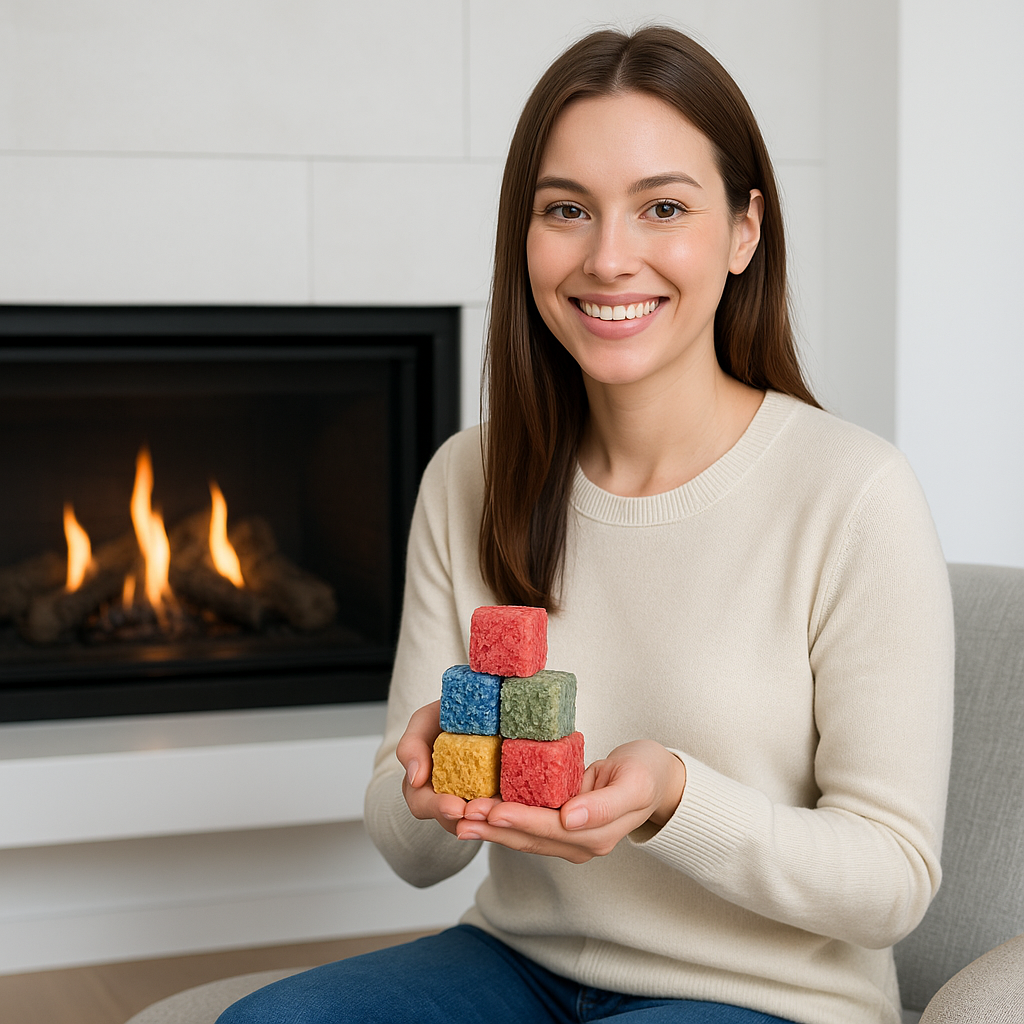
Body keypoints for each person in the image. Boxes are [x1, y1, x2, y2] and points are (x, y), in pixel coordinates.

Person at [217, 25, 954, 1024]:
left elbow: (892, 881)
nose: (609, 259)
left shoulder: (854, 492)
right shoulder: (468, 477)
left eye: (663, 207)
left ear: (744, 231)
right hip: (516, 961)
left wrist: (675, 798)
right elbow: (406, 849)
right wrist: (432, 786)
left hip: (765, 997)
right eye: (566, 209)